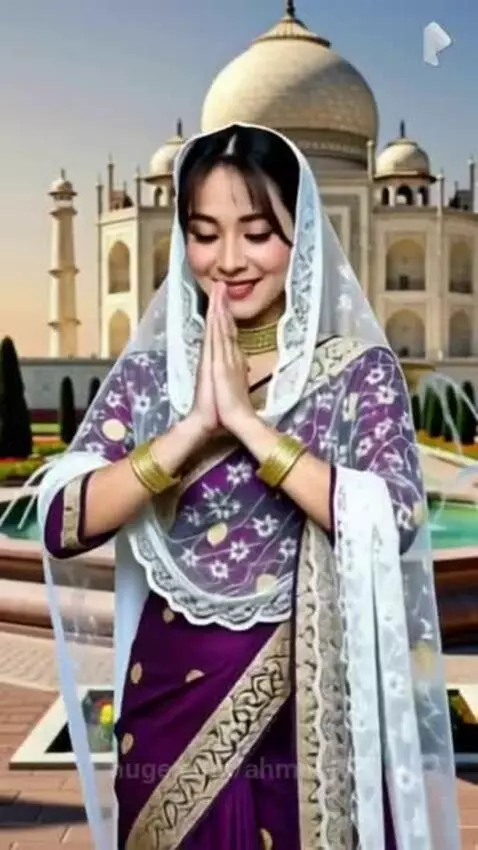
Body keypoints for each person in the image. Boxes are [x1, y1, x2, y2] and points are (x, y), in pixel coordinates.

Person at [36, 123, 460, 850]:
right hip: (168, 697)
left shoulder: (358, 374)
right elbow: (63, 522)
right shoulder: (151, 377)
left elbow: (395, 520)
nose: (227, 261)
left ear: (303, 240)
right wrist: (193, 427)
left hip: (310, 712)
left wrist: (252, 429)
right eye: (204, 234)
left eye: (257, 233)